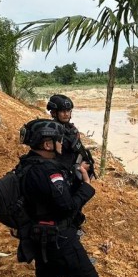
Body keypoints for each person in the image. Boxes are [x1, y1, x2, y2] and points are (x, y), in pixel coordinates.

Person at [17, 118, 119, 277]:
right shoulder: (50, 172)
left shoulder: (25, 166)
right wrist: (85, 186)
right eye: (56, 141)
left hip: (38, 237)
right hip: (59, 238)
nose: (60, 145)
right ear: (47, 144)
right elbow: (66, 206)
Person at [47, 94, 96, 232]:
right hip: (63, 173)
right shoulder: (53, 132)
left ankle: (74, 224)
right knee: (67, 204)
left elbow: (77, 151)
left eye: (68, 111)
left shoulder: (71, 129)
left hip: (74, 171)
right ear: (53, 113)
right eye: (63, 111)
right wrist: (77, 168)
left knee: (77, 201)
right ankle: (68, 228)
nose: (66, 114)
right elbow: (56, 157)